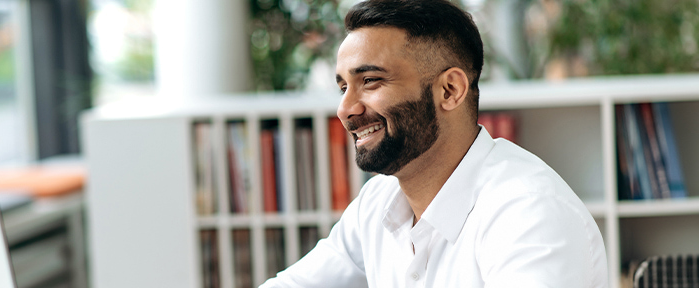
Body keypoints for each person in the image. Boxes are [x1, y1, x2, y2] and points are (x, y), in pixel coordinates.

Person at [258, 0, 607, 287]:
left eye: (371, 81)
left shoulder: (529, 214)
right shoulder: (379, 202)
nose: (346, 109)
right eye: (343, 87)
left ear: (449, 90)